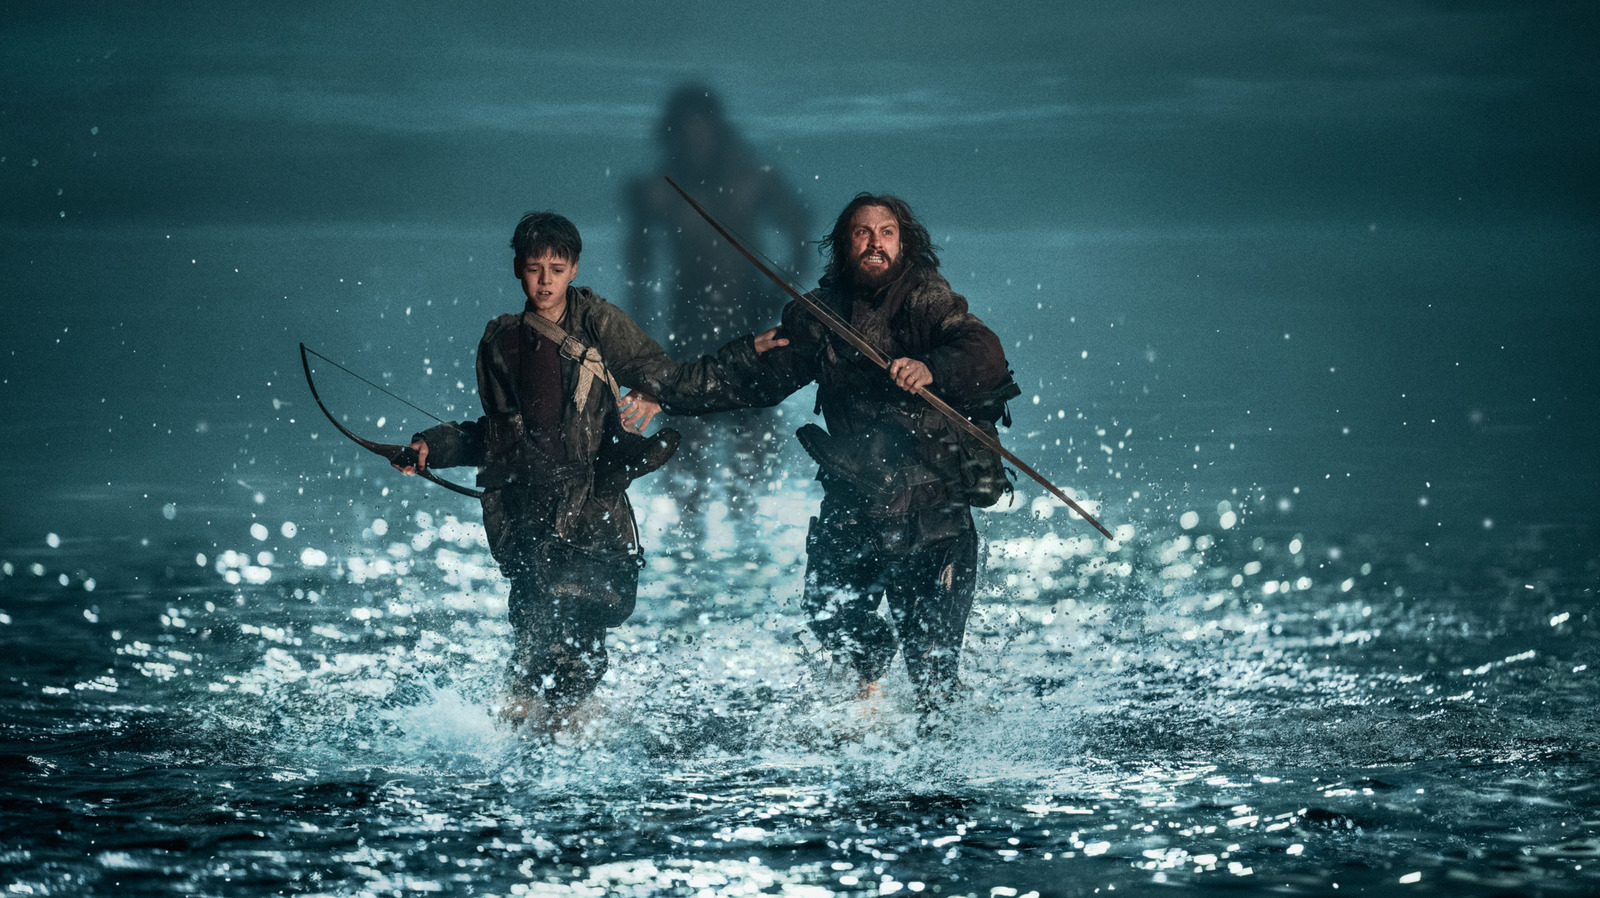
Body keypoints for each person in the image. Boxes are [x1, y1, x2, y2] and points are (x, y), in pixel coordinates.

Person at [657, 193, 1019, 727]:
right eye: (862, 232)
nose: (875, 243)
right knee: (832, 617)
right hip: (853, 504)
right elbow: (757, 382)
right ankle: (868, 698)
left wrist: (931, 367)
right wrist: (664, 394)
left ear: (904, 243)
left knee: (934, 677)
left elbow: (984, 350)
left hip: (933, 513)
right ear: (844, 244)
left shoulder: (928, 301)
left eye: (887, 232)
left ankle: (950, 760)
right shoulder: (817, 317)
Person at [394, 211, 684, 733]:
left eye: (556, 268)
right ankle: (527, 747)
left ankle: (569, 743)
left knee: (580, 641)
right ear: (518, 270)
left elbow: (663, 373)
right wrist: (431, 447)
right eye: (534, 269)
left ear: (574, 269)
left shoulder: (597, 322)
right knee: (531, 641)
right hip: (526, 513)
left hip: (591, 510)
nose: (545, 281)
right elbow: (497, 435)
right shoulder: (501, 342)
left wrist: (650, 393)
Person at [624, 85, 811, 539]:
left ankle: (748, 528)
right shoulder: (660, 189)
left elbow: (798, 226)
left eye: (703, 129)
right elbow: (639, 263)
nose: (697, 140)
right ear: (674, 134)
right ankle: (690, 534)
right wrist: (637, 332)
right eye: (688, 132)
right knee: (687, 425)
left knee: (752, 424)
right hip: (689, 321)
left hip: (746, 316)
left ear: (717, 130)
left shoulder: (750, 179)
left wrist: (780, 294)